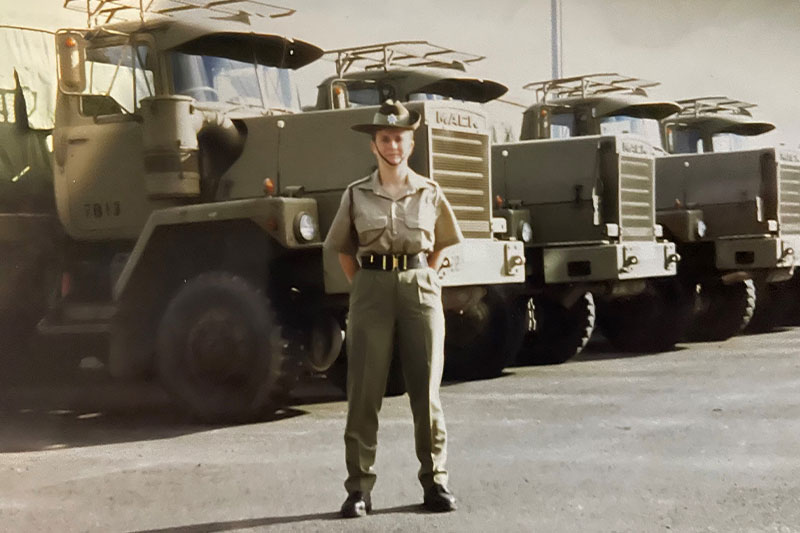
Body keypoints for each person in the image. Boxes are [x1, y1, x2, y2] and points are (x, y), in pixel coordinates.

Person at [324, 99, 464, 518]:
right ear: (374, 145)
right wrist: (366, 285)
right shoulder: (356, 194)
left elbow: (442, 243)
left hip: (419, 287)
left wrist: (426, 276)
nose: (393, 146)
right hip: (371, 287)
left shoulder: (429, 192)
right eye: (385, 138)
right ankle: (359, 489)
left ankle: (435, 482)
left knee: (426, 391)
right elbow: (344, 249)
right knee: (364, 393)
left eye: (399, 138)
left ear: (411, 143)